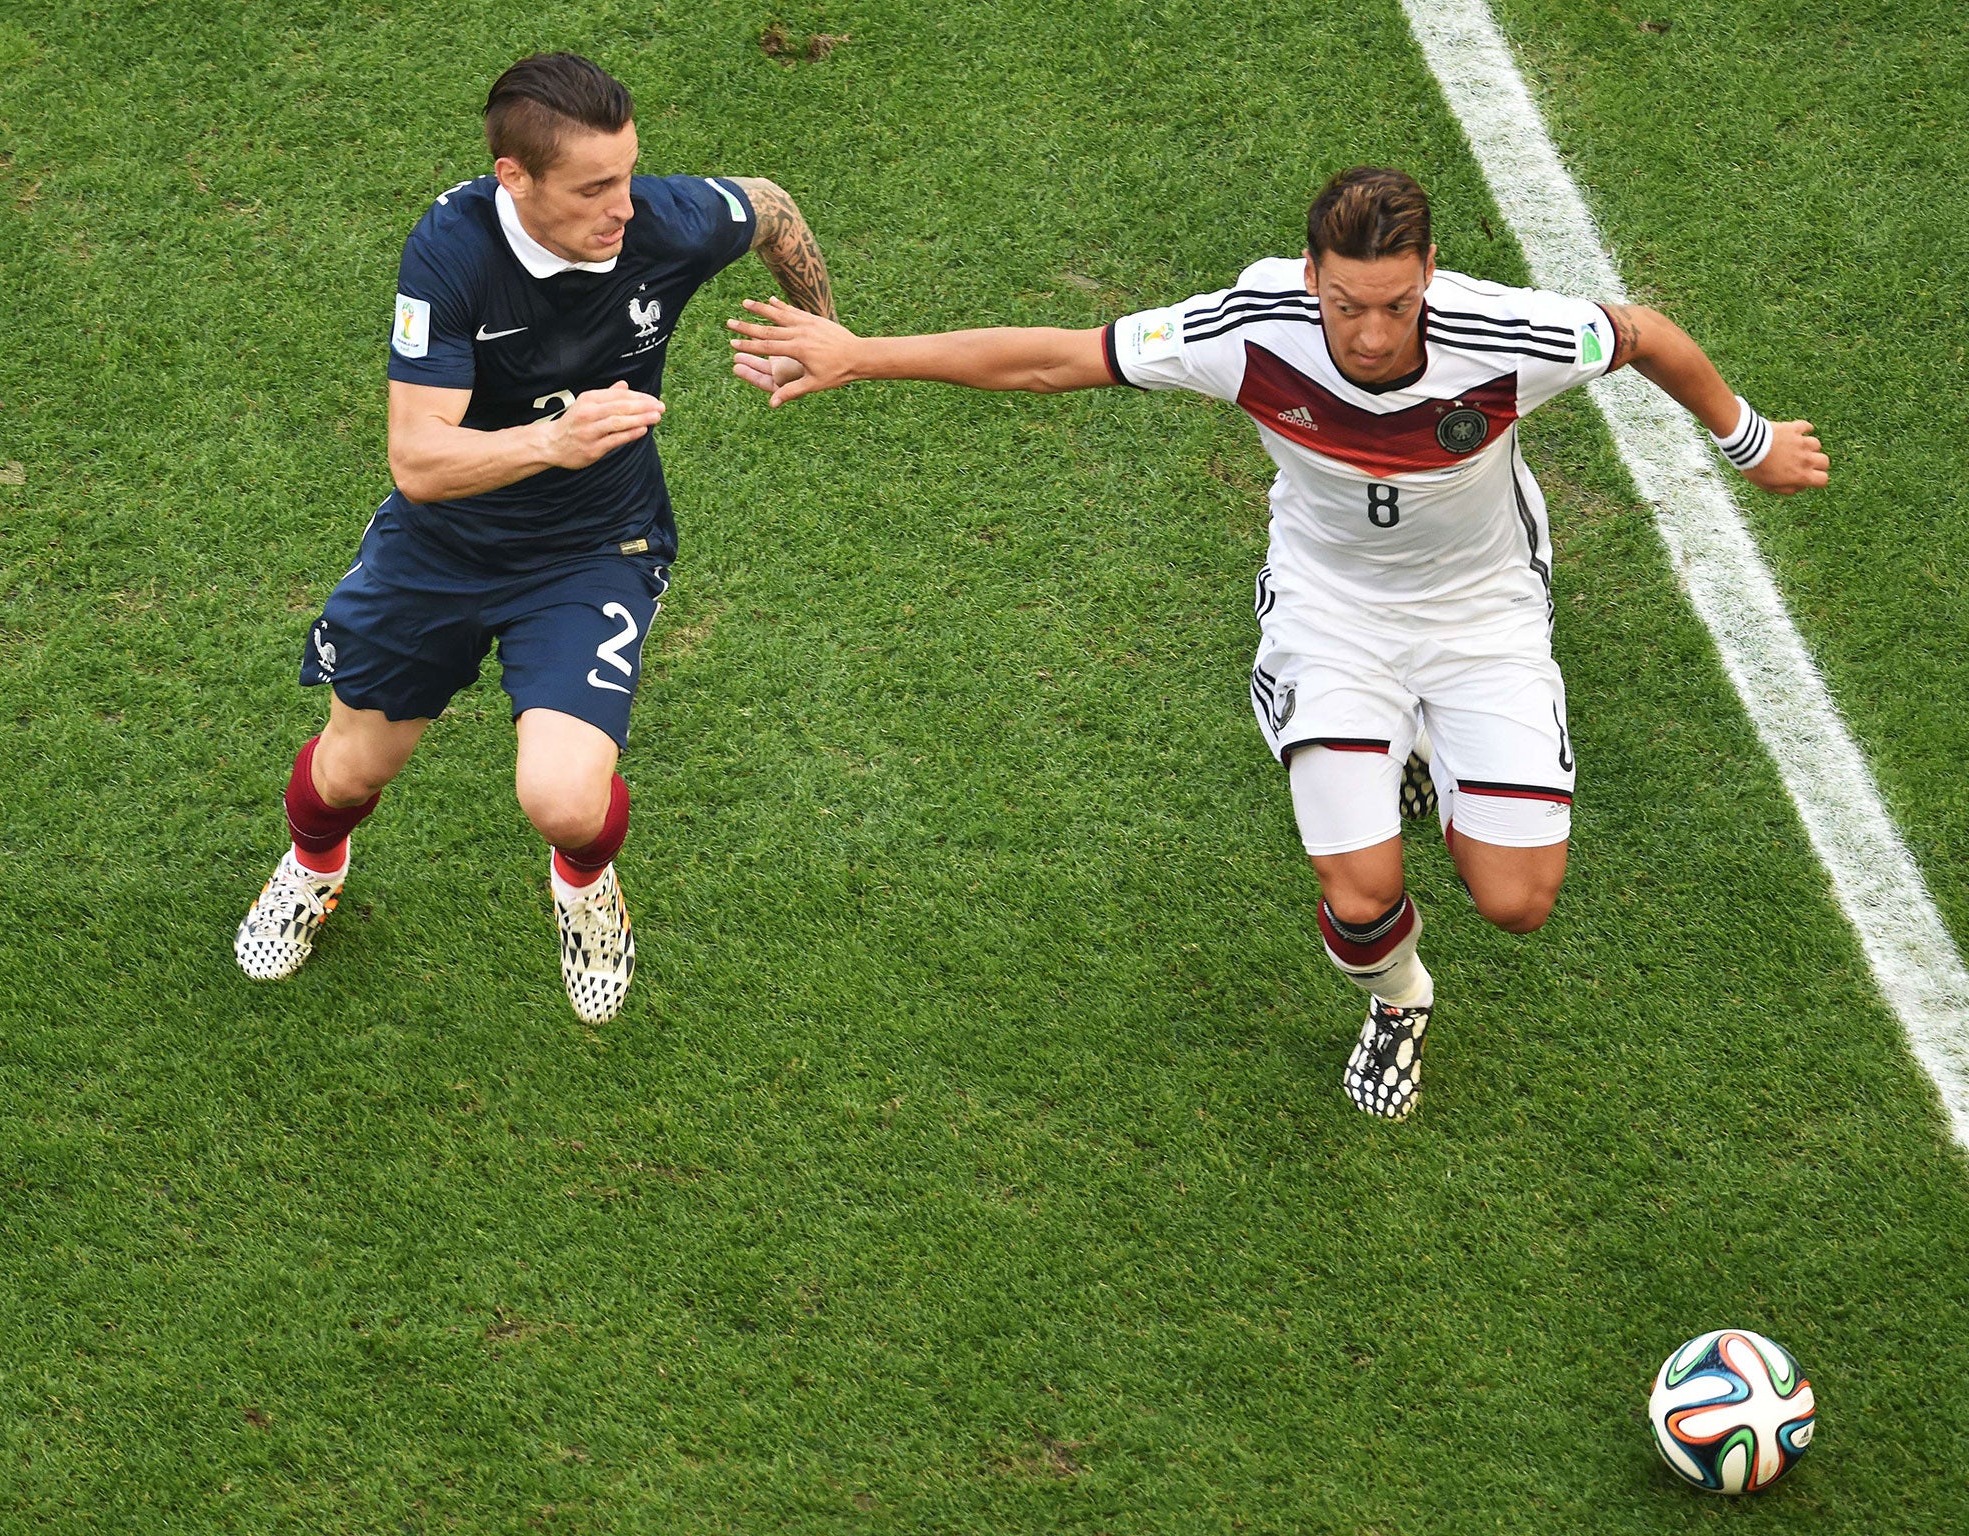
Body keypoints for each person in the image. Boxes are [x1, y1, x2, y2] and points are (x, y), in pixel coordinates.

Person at [726, 166, 1828, 1118]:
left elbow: (1641, 334)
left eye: (1394, 304)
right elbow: (1055, 359)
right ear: (1310, 276)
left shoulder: (1509, 334)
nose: (1369, 332)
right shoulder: (1247, 328)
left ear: (1429, 274)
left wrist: (1748, 440)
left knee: (1514, 902)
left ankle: (1414, 749)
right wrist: (863, 354)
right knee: (1357, 890)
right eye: (1347, 304)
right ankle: (1398, 998)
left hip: (1479, 613)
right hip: (1330, 611)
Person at [235, 52, 837, 1022]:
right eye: (595, 187)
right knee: (347, 772)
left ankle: (585, 885)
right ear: (514, 178)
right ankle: (313, 863)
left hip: (594, 545)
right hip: (444, 544)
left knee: (562, 796)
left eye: (629, 175)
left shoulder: (663, 222)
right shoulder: (452, 249)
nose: (624, 208)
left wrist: (825, 332)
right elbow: (418, 462)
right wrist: (551, 441)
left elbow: (768, 204)